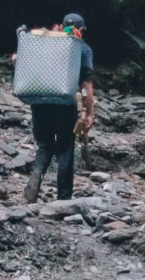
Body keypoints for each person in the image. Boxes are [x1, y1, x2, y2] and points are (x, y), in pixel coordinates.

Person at [25, 11, 96, 203]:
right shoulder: (82, 48)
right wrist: (89, 113)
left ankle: (37, 173)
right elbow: (86, 84)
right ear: (80, 30)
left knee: (45, 145)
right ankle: (63, 198)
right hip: (65, 105)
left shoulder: (45, 44)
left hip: (39, 101)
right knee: (65, 148)